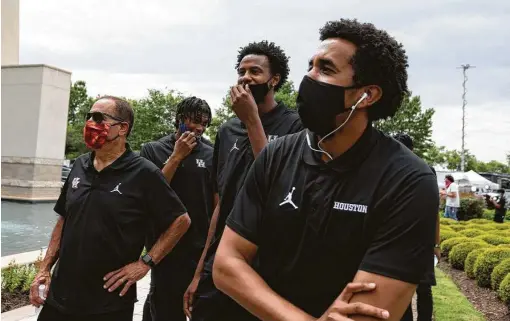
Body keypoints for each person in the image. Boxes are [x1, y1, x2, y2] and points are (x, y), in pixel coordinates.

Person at [212, 19, 439, 321]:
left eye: (326, 69)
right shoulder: (276, 155)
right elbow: (227, 265)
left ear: (367, 95)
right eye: (311, 65)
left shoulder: (407, 180)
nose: (309, 77)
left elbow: (370, 313)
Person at [29, 96, 191, 321]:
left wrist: (145, 263)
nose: (90, 123)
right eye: (89, 117)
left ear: (123, 128)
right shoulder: (79, 165)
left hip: (108, 303)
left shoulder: (144, 173)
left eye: (99, 118)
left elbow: (181, 220)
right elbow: (64, 219)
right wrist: (45, 268)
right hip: (60, 297)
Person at [184, 41, 303, 321]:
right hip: (221, 258)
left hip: (267, 262)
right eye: (241, 71)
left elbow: (277, 184)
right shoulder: (227, 130)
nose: (246, 77)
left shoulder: (296, 127)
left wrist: (252, 120)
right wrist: (200, 270)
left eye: (255, 71)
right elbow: (221, 202)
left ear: (275, 80)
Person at [140, 96, 217, 321]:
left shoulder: (212, 153)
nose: (199, 128)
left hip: (200, 247)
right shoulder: (152, 150)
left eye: (204, 123)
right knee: (163, 308)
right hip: (165, 247)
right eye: (194, 121)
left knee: (197, 307)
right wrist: (176, 156)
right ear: (180, 119)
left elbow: (216, 203)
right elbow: (152, 195)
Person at [394, 133, 440, 321]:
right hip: (409, 239)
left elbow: (434, 211)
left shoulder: (425, 171)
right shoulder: (391, 170)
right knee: (411, 287)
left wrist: (436, 244)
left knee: (417, 287)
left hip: (413, 238)